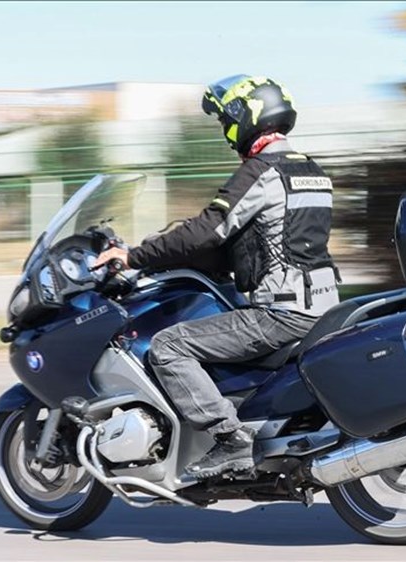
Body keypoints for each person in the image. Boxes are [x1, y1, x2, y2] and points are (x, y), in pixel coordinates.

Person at [93, 75, 339, 478]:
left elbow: (207, 230)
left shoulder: (262, 171)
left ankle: (229, 438)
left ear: (247, 116)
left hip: (280, 312)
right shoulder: (311, 171)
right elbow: (265, 240)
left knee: (169, 346)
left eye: (227, 118)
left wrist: (134, 256)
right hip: (323, 306)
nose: (226, 129)